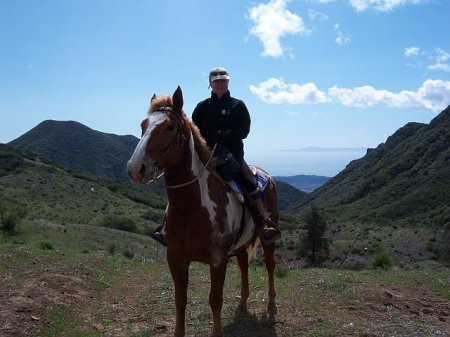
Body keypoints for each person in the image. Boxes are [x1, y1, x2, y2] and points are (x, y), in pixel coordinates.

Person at [191, 67, 281, 246]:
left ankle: (263, 221)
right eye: (216, 81)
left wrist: (224, 135)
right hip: (206, 154)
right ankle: (167, 225)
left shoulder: (238, 105)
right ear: (210, 84)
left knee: (248, 181)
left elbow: (244, 130)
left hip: (233, 155)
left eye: (223, 80)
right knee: (183, 179)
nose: (220, 83)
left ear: (228, 82)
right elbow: (194, 129)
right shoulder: (202, 107)